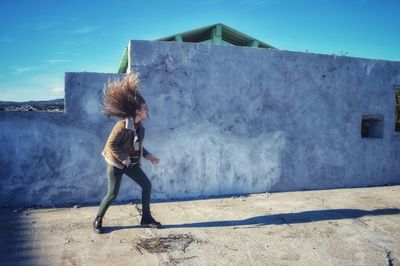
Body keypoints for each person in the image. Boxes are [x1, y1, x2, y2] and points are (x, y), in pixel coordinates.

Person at [93, 73, 161, 234]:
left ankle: (146, 218)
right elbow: (110, 145)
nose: (147, 110)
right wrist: (124, 160)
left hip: (131, 163)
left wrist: (147, 155)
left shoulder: (140, 127)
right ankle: (98, 220)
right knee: (112, 194)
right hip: (116, 163)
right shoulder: (122, 125)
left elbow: (137, 146)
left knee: (146, 185)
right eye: (145, 108)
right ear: (137, 110)